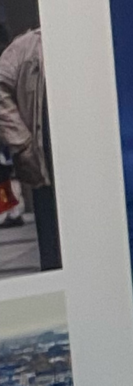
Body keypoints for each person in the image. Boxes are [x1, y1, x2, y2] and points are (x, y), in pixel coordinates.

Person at [0, 25, 58, 273]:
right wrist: (22, 143)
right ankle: (9, 211)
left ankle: (10, 211)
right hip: (40, 154)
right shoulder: (25, 48)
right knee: (52, 239)